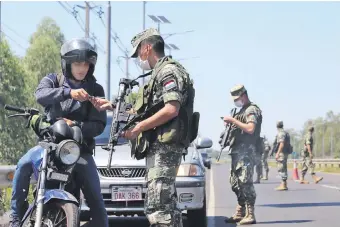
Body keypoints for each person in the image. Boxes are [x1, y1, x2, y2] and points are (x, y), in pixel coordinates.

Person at [93, 28, 195, 227]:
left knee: (158, 209)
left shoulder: (168, 71)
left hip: (164, 149)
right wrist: (113, 106)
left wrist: (138, 128)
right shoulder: (159, 73)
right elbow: (148, 110)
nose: (138, 58)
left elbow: (171, 109)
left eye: (138, 52)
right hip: (161, 148)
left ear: (147, 48)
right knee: (167, 207)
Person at [9, 38, 109, 227]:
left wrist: (76, 125)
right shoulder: (54, 80)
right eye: (78, 63)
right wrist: (68, 93)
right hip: (49, 146)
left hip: (78, 151)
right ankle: (15, 218)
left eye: (86, 64)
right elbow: (40, 95)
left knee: (97, 201)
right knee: (23, 164)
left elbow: (98, 124)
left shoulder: (96, 89)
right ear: (67, 64)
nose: (82, 68)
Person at [223, 84, 262, 225]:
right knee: (235, 183)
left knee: (245, 182)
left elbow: (251, 129)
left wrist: (233, 121)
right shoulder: (241, 111)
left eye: (238, 98)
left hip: (247, 152)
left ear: (244, 95)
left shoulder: (251, 110)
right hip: (236, 152)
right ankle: (241, 211)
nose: (236, 101)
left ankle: (250, 214)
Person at [274, 121, 289, 191]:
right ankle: (284, 184)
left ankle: (283, 184)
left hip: (282, 153)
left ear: (277, 126)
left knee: (281, 168)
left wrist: (277, 153)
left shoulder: (281, 133)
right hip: (284, 152)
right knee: (283, 168)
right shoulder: (285, 132)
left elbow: (281, 143)